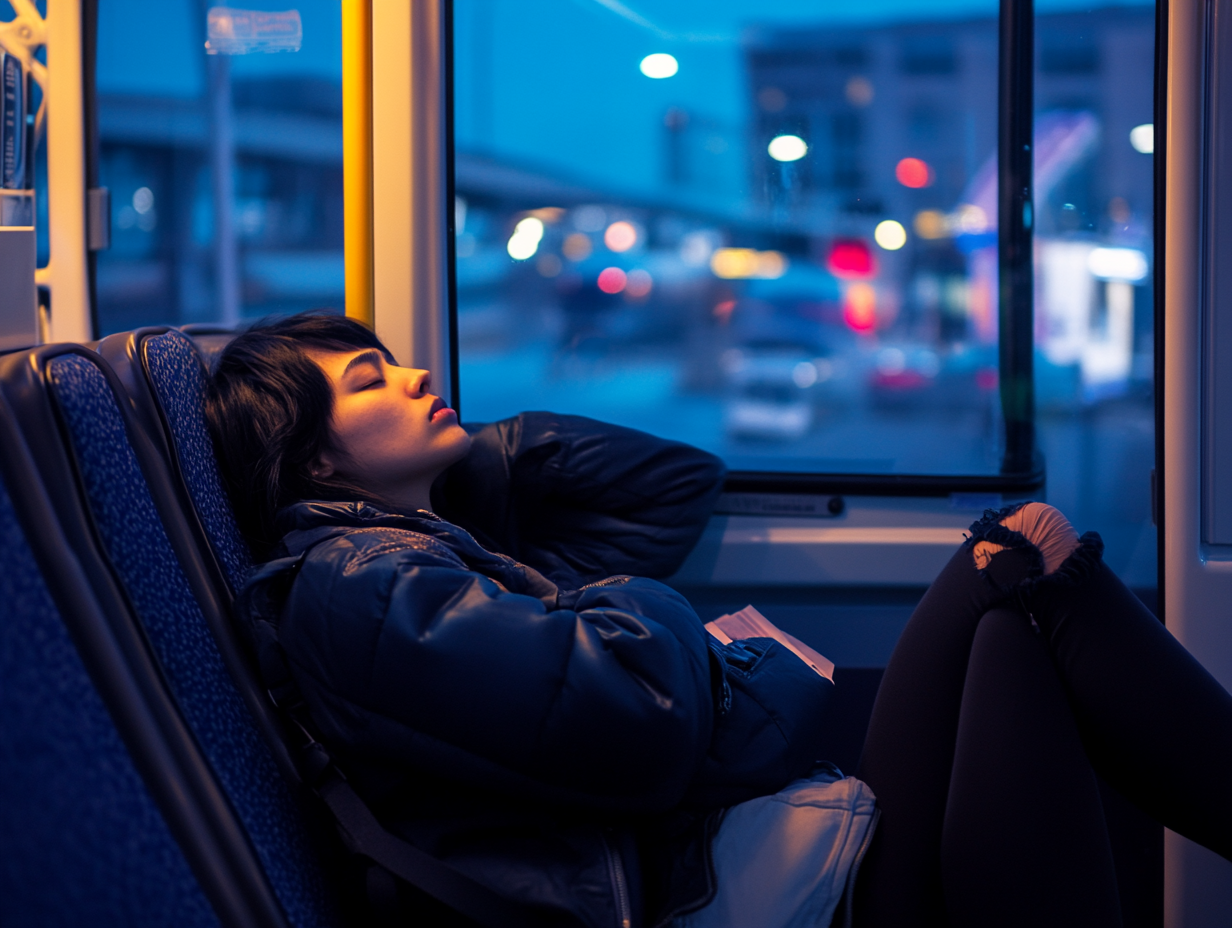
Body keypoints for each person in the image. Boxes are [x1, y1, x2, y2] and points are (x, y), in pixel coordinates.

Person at [205, 313, 1232, 928]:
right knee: (1016, 563)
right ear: (314, 462)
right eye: (367, 379)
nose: (416, 375)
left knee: (1014, 605)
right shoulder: (360, 586)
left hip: (727, 832)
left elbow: (671, 484)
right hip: (686, 888)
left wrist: (485, 458)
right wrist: (665, 627)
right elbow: (645, 713)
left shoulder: (444, 551)